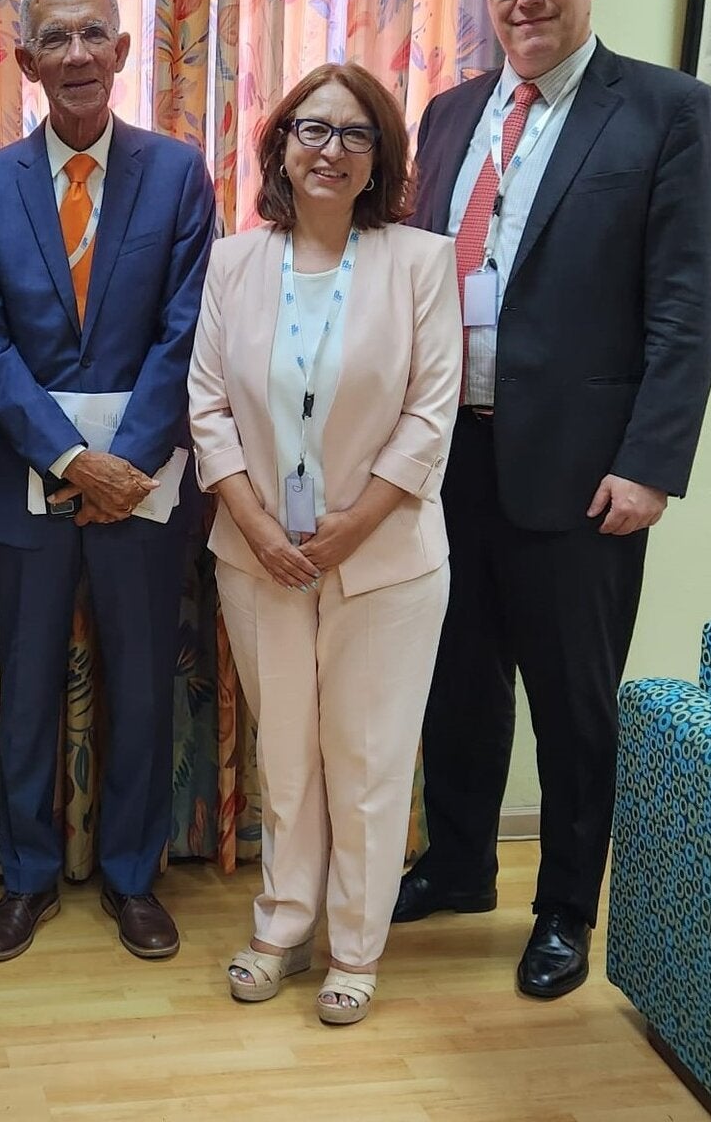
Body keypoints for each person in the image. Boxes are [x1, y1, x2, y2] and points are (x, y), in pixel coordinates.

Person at [394, 0, 711, 998]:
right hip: (449, 459)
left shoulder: (669, 110)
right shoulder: (446, 115)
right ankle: (454, 864)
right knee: (456, 679)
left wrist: (649, 464)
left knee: (574, 698)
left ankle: (565, 907)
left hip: (585, 469)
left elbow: (686, 304)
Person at [0, 0, 215, 963]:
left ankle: (133, 877)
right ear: (24, 61)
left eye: (92, 34)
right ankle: (25, 877)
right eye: (53, 39)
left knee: (142, 682)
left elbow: (186, 330)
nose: (74, 55)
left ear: (121, 50)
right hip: (27, 476)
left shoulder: (179, 173)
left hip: (145, 485)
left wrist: (127, 463)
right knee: (25, 690)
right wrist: (70, 458)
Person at [188, 63, 461, 1023]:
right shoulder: (235, 260)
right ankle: (280, 926)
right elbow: (208, 407)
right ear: (280, 146)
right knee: (288, 757)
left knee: (369, 757)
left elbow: (430, 418)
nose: (330, 149)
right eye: (312, 129)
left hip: (384, 560)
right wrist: (261, 529)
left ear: (379, 154)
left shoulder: (421, 263)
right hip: (258, 557)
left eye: (354, 134)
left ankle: (356, 947)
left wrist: (348, 529)